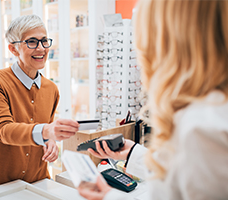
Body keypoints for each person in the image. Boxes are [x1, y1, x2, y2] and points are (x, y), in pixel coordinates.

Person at [78, 0, 228, 199]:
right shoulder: (211, 108)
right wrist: (133, 154)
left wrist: (108, 196)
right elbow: (179, 174)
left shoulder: (201, 128)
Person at [0, 14, 79, 192]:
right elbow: (4, 130)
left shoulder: (51, 89)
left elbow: (46, 129)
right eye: (32, 42)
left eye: (44, 41)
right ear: (13, 49)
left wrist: (50, 140)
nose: (41, 48)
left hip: (35, 181)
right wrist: (46, 131)